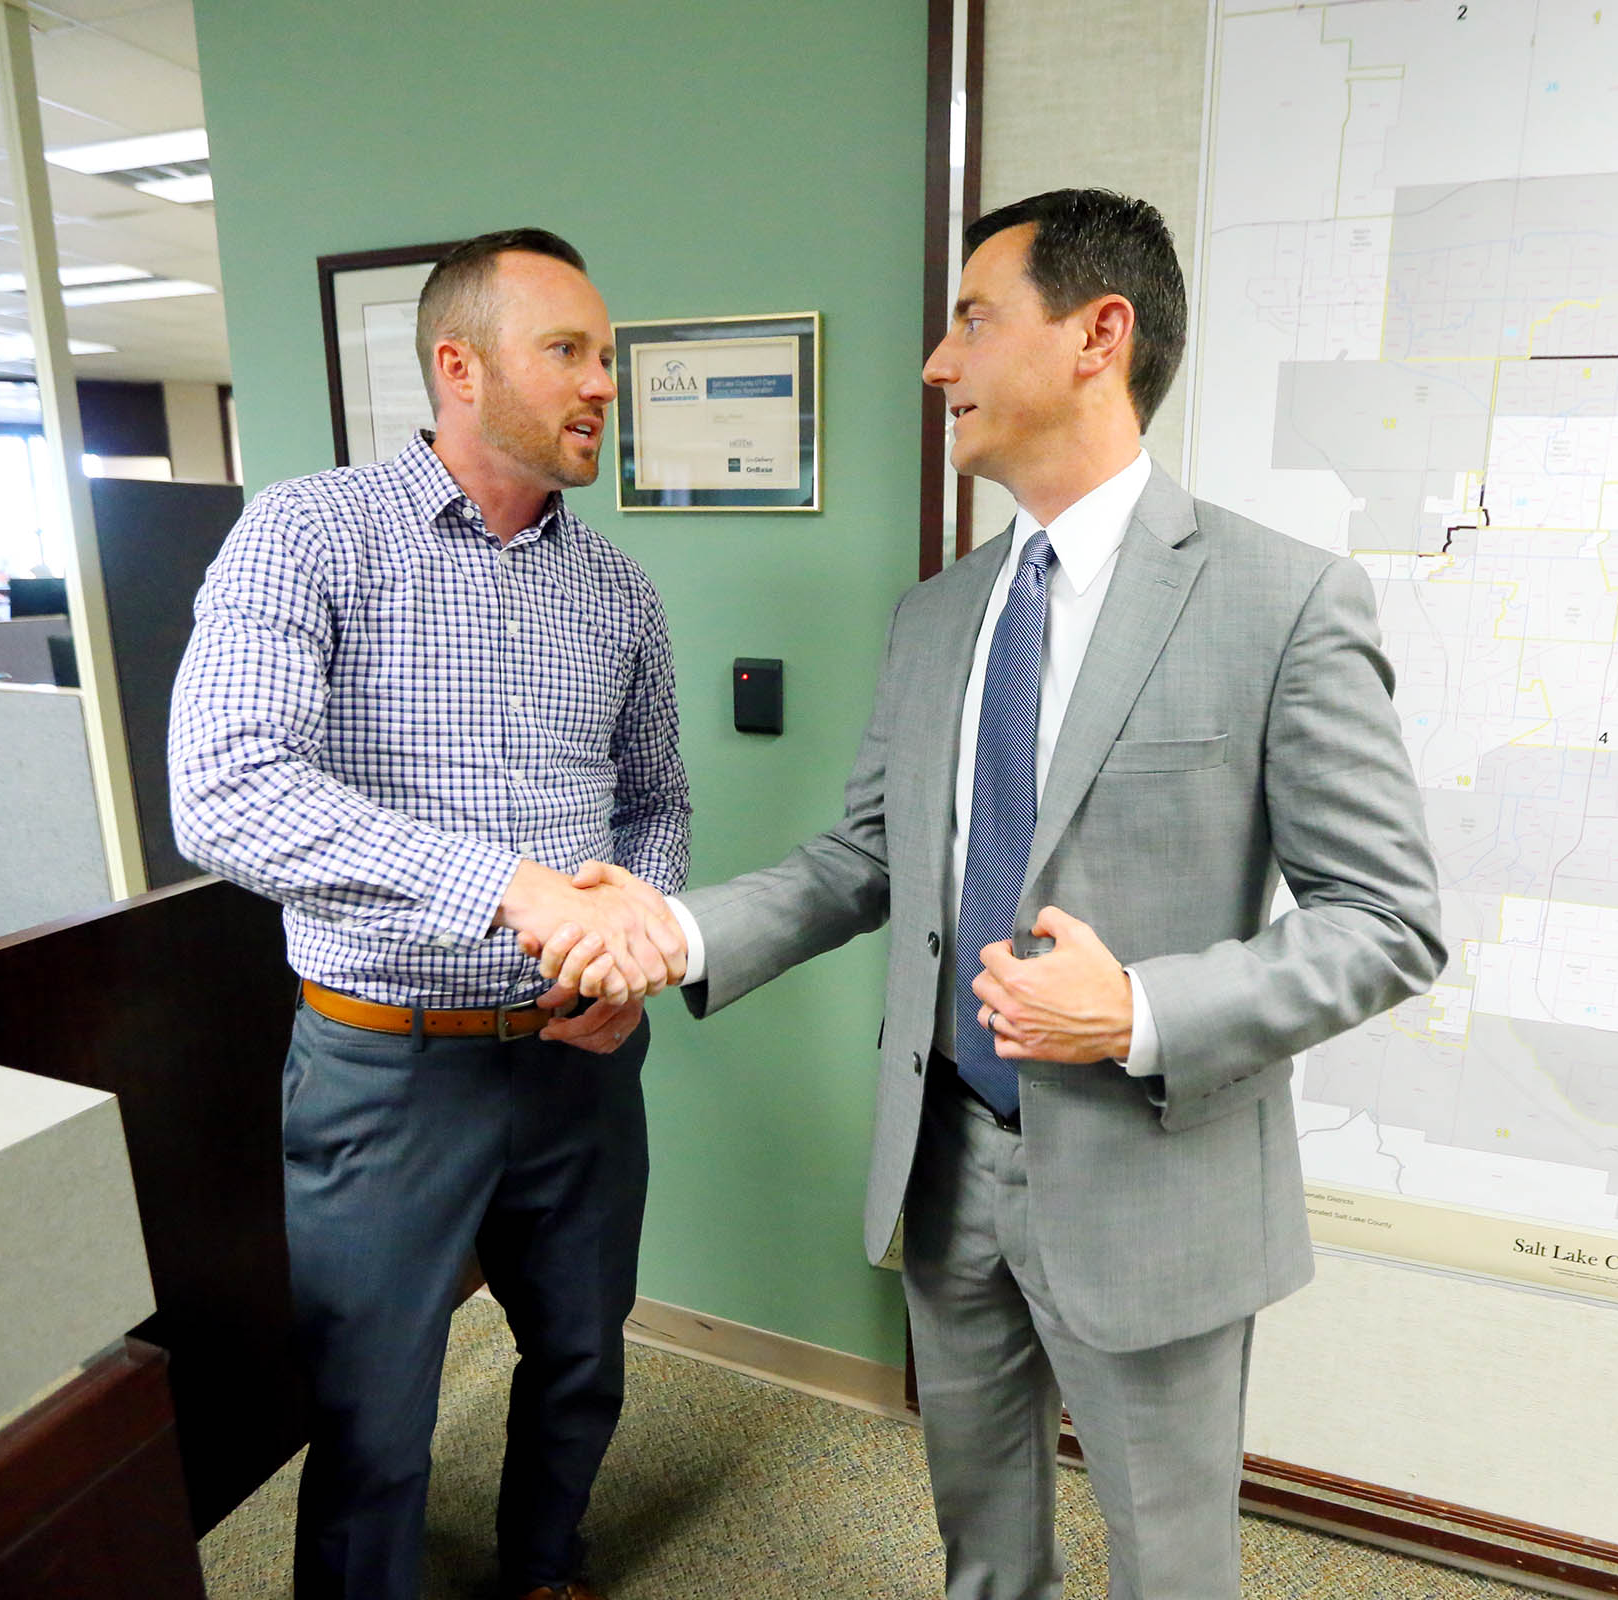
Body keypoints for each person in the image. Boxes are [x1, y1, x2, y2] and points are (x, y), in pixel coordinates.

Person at [572, 188, 1446, 1599]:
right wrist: (672, 928)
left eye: (973, 318)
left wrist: (1141, 1009)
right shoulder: (937, 615)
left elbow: (1388, 920)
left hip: (1152, 1181)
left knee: (1171, 1563)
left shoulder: (1282, 601)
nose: (937, 363)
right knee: (981, 1549)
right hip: (944, 1165)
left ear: (1100, 335)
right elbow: (866, 858)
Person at [169, 226, 689, 1600]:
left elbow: (658, 809)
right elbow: (223, 790)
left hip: (580, 1062)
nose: (602, 385)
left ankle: (543, 1568)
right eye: (569, 352)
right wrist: (497, 881)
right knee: (374, 1420)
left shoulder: (619, 589)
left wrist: (637, 943)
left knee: (583, 1358)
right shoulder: (308, 531)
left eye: (607, 357)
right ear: (459, 366)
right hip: (382, 1061)